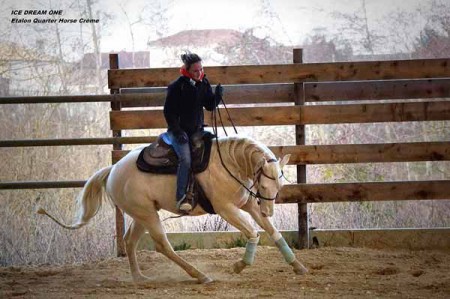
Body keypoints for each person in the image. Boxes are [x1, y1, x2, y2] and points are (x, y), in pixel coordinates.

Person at [163, 53, 223, 212]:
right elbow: (168, 112)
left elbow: (209, 105)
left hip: (197, 131)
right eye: (196, 71)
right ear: (187, 71)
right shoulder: (177, 87)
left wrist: (217, 97)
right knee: (186, 159)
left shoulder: (203, 83)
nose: (199, 73)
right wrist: (177, 131)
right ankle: (181, 197)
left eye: (201, 69)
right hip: (178, 133)